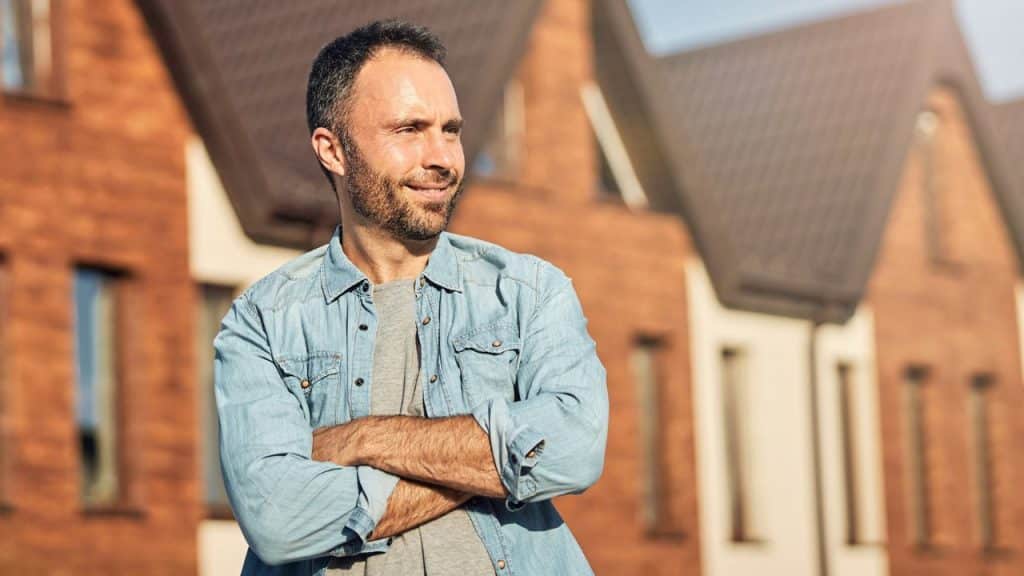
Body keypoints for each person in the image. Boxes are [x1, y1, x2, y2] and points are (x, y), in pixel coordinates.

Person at [213, 20, 608, 576]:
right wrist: (494, 465)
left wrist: (363, 438)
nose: (443, 157)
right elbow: (277, 519)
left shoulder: (527, 293)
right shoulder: (264, 322)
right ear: (333, 150)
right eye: (410, 129)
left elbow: (574, 447)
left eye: (450, 130)